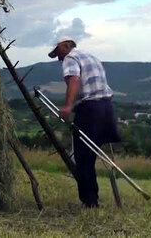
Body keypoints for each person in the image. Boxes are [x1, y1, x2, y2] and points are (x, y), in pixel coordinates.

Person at [48, 36, 121, 208]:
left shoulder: (70, 58)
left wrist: (67, 106)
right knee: (92, 155)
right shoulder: (91, 57)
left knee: (83, 158)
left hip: (90, 110)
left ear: (65, 46)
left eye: (58, 52)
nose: (59, 58)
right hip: (106, 108)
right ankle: (95, 197)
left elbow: (74, 80)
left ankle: (90, 202)